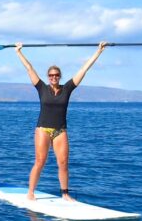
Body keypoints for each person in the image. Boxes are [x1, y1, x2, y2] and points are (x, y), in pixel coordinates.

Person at [16, 41, 108, 201]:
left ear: (60, 76)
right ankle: (30, 192)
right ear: (48, 77)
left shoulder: (67, 89)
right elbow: (29, 68)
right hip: (43, 130)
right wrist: (19, 52)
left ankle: (65, 194)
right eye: (51, 75)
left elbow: (84, 69)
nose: (54, 77)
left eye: (56, 75)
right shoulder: (41, 88)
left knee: (63, 163)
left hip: (60, 131)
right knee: (40, 161)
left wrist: (98, 51)